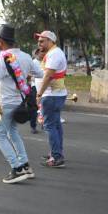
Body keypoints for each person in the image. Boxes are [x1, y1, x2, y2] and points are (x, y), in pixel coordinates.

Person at [0, 23, 42, 183]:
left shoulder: (2, 58)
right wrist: (26, 76)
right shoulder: (26, 56)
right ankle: (25, 166)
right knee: (12, 133)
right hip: (19, 102)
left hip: (6, 103)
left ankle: (17, 168)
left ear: (1, 42)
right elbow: (39, 72)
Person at [34, 30, 68, 167]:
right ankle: (57, 152)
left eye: (42, 41)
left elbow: (48, 76)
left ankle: (57, 157)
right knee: (56, 125)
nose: (39, 43)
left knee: (49, 126)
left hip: (51, 95)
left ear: (50, 41)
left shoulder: (54, 54)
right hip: (55, 95)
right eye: (38, 41)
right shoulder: (54, 53)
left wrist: (39, 94)